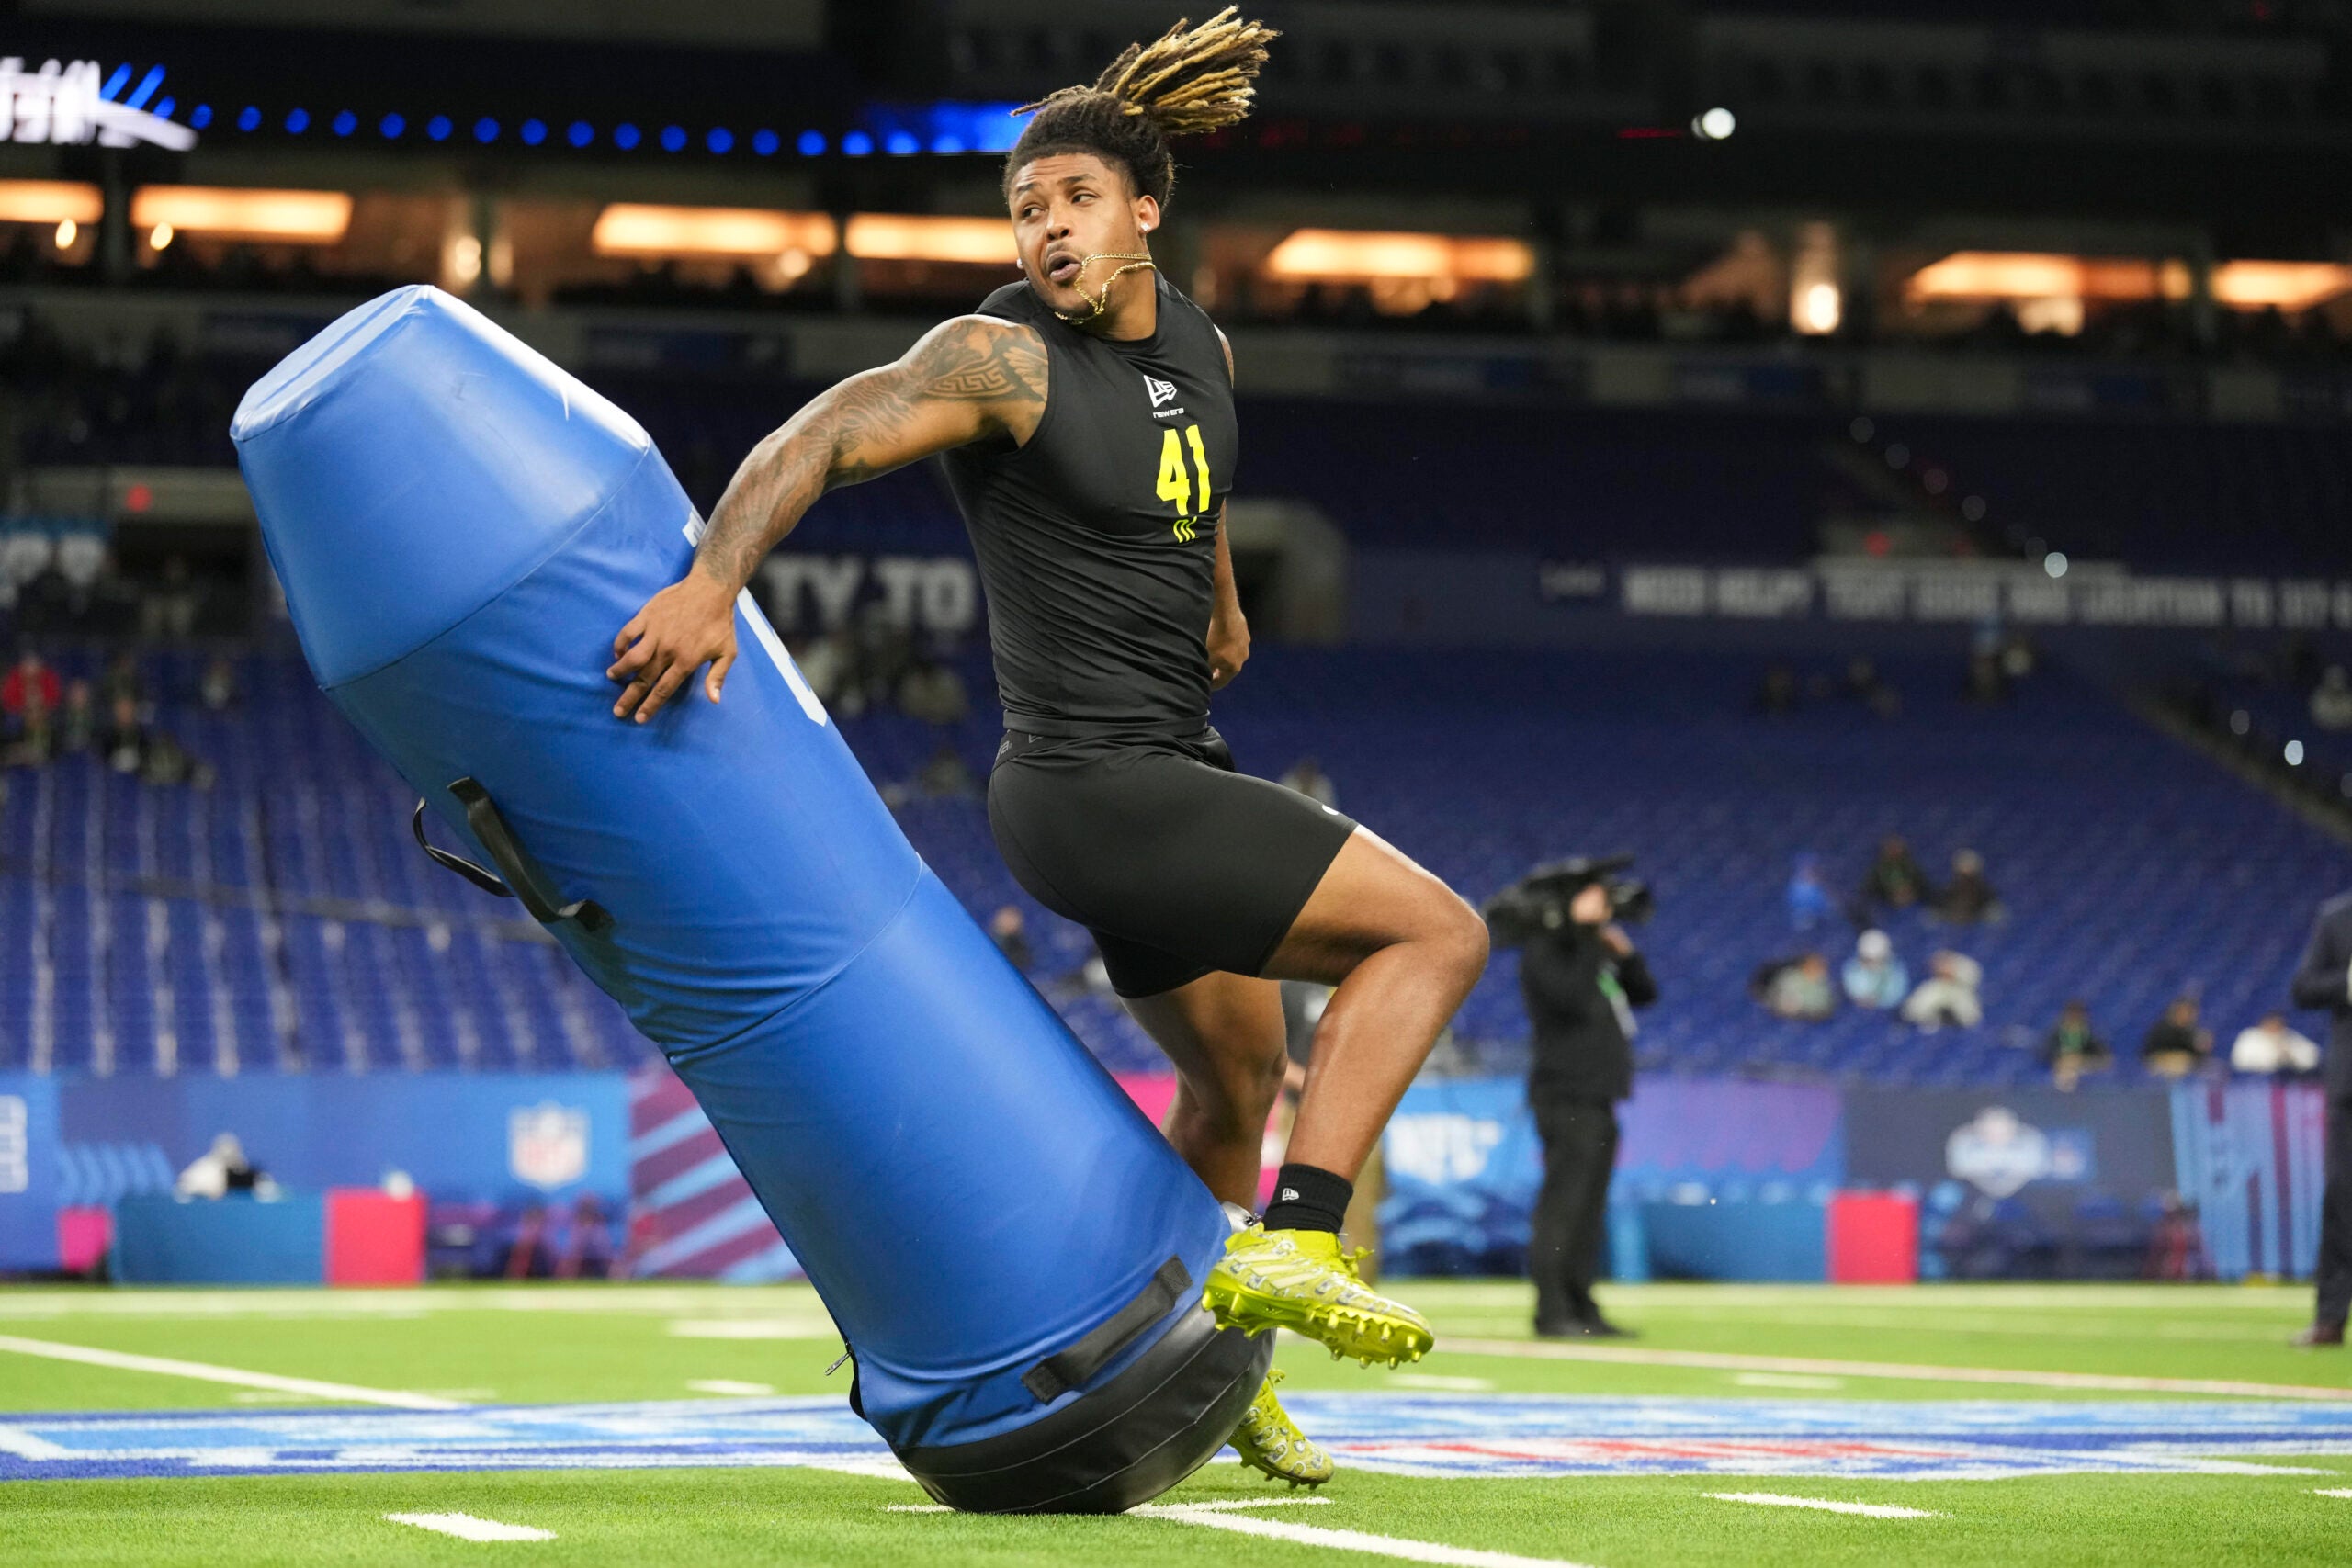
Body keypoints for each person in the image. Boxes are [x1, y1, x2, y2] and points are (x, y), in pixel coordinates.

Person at [601, 10, 1482, 1485]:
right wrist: (711, 582)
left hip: (1160, 771)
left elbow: (1182, 489)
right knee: (1438, 933)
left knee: (1232, 1082)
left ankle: (1212, 1378)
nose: (1047, 226)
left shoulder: (1200, 346)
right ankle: (1304, 1240)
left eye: (1072, 200)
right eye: (1025, 208)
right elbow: (815, 435)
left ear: (1146, 210)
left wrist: (1217, 596)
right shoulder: (997, 357)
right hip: (1095, 788)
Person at [1516, 874, 1656, 1338]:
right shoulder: (1546, 951)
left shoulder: (1592, 952)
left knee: (1590, 1207)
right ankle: (1552, 1309)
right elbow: (1570, 999)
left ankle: (1581, 1303)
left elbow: (1646, 993)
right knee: (1564, 1203)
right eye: (1592, 898)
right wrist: (1584, 938)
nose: (1605, 907)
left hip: (1599, 1096)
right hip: (1565, 1094)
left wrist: (1623, 952)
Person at [2289, 886, 2352, 1346]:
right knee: (2341, 1198)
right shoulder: (2337, 916)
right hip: (2351, 1087)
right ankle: (2330, 1318)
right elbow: (2304, 987)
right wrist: (2348, 982)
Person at [1901, 949, 1984, 1031]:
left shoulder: (1964, 993)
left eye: (1948, 965)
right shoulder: (1931, 988)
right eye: (1942, 965)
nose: (1945, 969)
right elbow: (1910, 1012)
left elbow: (1971, 1019)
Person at [2041, 1000, 2112, 1091]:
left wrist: (2081, 1058)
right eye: (2072, 1015)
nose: (2075, 1019)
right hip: (2061, 1065)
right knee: (2067, 1067)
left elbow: (2102, 1054)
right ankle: (2066, 1088)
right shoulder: (2056, 1034)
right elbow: (2046, 1053)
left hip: (2084, 1065)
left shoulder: (2090, 1035)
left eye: (2078, 1016)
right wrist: (2062, 1057)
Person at [2142, 996, 2214, 1078]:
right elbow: (2150, 1055)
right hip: (2161, 1068)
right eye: (2182, 1011)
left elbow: (2197, 1057)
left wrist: (2202, 1048)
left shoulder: (2192, 1032)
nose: (2185, 1015)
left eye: (2189, 1012)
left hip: (2186, 1070)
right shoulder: (2162, 1029)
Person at [2232, 1010, 2321, 1075]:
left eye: (2279, 1024)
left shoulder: (2289, 1036)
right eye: (2273, 1023)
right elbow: (2239, 1061)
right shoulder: (2250, 1036)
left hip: (2287, 1081)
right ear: (2264, 1023)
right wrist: (2275, 1058)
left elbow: (2313, 1055)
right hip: (2255, 1083)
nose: (2276, 1027)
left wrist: (2290, 1056)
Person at [1756, 951, 1836, 1021]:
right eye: (1813, 966)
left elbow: (1823, 1007)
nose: (1819, 971)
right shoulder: (1789, 977)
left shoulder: (1822, 988)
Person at [1859, 834, 1930, 913]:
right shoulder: (1878, 869)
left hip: (1912, 896)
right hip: (1887, 899)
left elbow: (1921, 881)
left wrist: (1908, 891)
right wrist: (1893, 892)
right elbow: (1871, 886)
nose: (1894, 851)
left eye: (1896, 848)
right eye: (1890, 848)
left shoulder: (1910, 865)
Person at [1842, 929, 1908, 1010]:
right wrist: (1863, 1000)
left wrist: (1878, 1000)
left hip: (1886, 1011)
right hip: (1858, 1008)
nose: (1871, 963)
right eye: (1867, 959)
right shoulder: (1852, 968)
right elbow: (1851, 991)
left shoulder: (1896, 970)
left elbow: (1897, 995)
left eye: (1876, 959)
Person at [1934, 849, 2004, 925]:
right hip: (1955, 924)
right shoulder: (1951, 889)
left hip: (1976, 925)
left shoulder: (1984, 891)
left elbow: (1993, 911)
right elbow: (1941, 908)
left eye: (1970, 870)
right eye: (1963, 871)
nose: (1966, 874)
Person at [1785, 854, 1834, 931]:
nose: (1808, 870)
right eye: (1805, 867)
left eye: (1811, 867)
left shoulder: (1821, 886)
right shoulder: (1796, 888)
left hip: (1823, 923)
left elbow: (1828, 906)